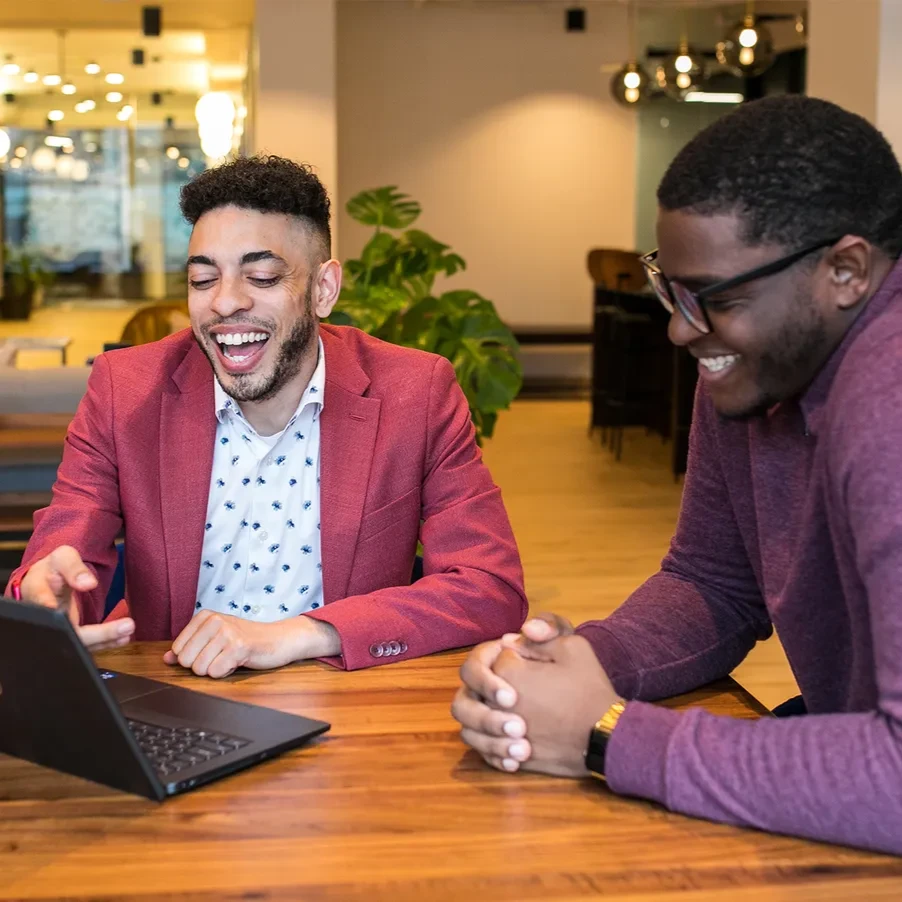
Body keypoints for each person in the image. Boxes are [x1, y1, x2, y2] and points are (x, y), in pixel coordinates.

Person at [452, 96, 902, 854]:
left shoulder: (887, 399)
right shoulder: (755, 367)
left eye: (717, 300)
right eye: (673, 289)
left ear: (846, 270)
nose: (680, 329)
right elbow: (714, 581)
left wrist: (605, 738)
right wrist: (578, 665)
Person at [9, 155, 527, 676]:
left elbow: (488, 586)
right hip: (173, 691)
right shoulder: (125, 388)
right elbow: (66, 542)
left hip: (348, 700)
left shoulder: (415, 392)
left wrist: (298, 635)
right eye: (203, 280)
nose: (225, 302)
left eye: (260, 276)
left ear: (323, 290)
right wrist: (50, 592)